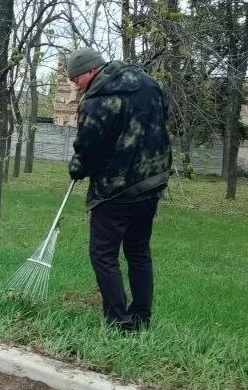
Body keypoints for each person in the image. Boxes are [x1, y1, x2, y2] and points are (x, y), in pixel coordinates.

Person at [66, 46, 172, 333]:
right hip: (152, 181)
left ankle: (118, 321)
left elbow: (89, 146)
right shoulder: (150, 84)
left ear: (90, 71)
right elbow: (165, 115)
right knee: (138, 250)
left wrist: (77, 168)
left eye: (76, 79)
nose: (76, 85)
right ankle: (141, 318)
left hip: (116, 189)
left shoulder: (98, 100)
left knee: (103, 253)